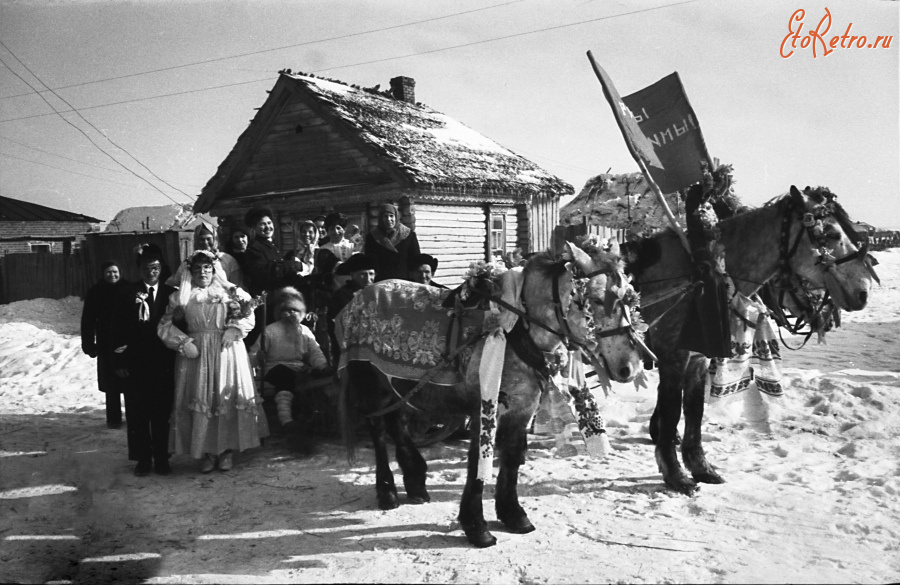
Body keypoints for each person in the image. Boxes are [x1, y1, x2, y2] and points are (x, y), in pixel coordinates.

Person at [158, 250, 268, 473]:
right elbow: (164, 325)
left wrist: (235, 330)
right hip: (197, 354)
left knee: (223, 395)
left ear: (214, 270)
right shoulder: (180, 297)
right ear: (190, 272)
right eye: (197, 269)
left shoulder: (230, 292)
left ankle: (227, 451)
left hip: (226, 350)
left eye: (207, 269)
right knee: (202, 398)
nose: (202, 273)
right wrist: (183, 342)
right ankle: (207, 452)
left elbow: (249, 313)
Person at [112, 244, 177, 476]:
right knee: (138, 414)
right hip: (136, 364)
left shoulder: (171, 294)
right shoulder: (128, 292)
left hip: (163, 364)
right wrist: (119, 362)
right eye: (148, 267)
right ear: (140, 268)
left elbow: (179, 327)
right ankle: (142, 458)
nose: (152, 272)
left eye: (156, 267)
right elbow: (117, 330)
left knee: (161, 413)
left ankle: (162, 457)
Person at [254, 287, 333, 431]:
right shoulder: (270, 330)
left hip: (299, 368)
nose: (291, 313)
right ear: (280, 313)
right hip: (274, 367)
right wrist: (258, 357)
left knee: (316, 378)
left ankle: (312, 419)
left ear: (301, 313)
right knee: (285, 375)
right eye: (287, 310)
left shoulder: (305, 331)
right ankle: (286, 420)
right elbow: (254, 354)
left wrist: (323, 366)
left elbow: (315, 352)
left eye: (295, 310)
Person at [80, 260, 130, 429]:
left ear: (120, 272)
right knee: (111, 382)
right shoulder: (95, 292)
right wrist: (88, 344)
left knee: (130, 380)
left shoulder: (129, 289)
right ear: (103, 273)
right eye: (108, 272)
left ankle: (134, 415)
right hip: (106, 342)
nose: (112, 275)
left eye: (115, 271)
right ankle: (114, 418)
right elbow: (88, 320)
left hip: (127, 341)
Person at [326, 253, 377, 365]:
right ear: (352, 275)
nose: (368, 279)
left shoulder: (377, 293)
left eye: (371, 274)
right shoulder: (342, 296)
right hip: (349, 351)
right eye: (363, 274)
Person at [243, 205, 283, 346]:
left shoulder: (273, 247)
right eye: (262, 224)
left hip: (278, 299)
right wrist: (289, 266)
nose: (267, 227)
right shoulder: (254, 249)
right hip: (266, 302)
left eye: (269, 223)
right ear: (255, 228)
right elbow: (264, 273)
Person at [166, 221, 243, 288]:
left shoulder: (227, 260)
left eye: (208, 239)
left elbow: (237, 284)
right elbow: (175, 282)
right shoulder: (189, 262)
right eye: (201, 239)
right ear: (196, 240)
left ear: (215, 239)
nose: (205, 243)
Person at [364, 203, 420, 282]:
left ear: (396, 217)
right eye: (385, 216)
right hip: (382, 280)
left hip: (404, 280)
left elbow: (415, 260)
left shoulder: (409, 235)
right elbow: (370, 262)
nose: (388, 219)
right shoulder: (372, 237)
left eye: (391, 216)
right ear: (381, 218)